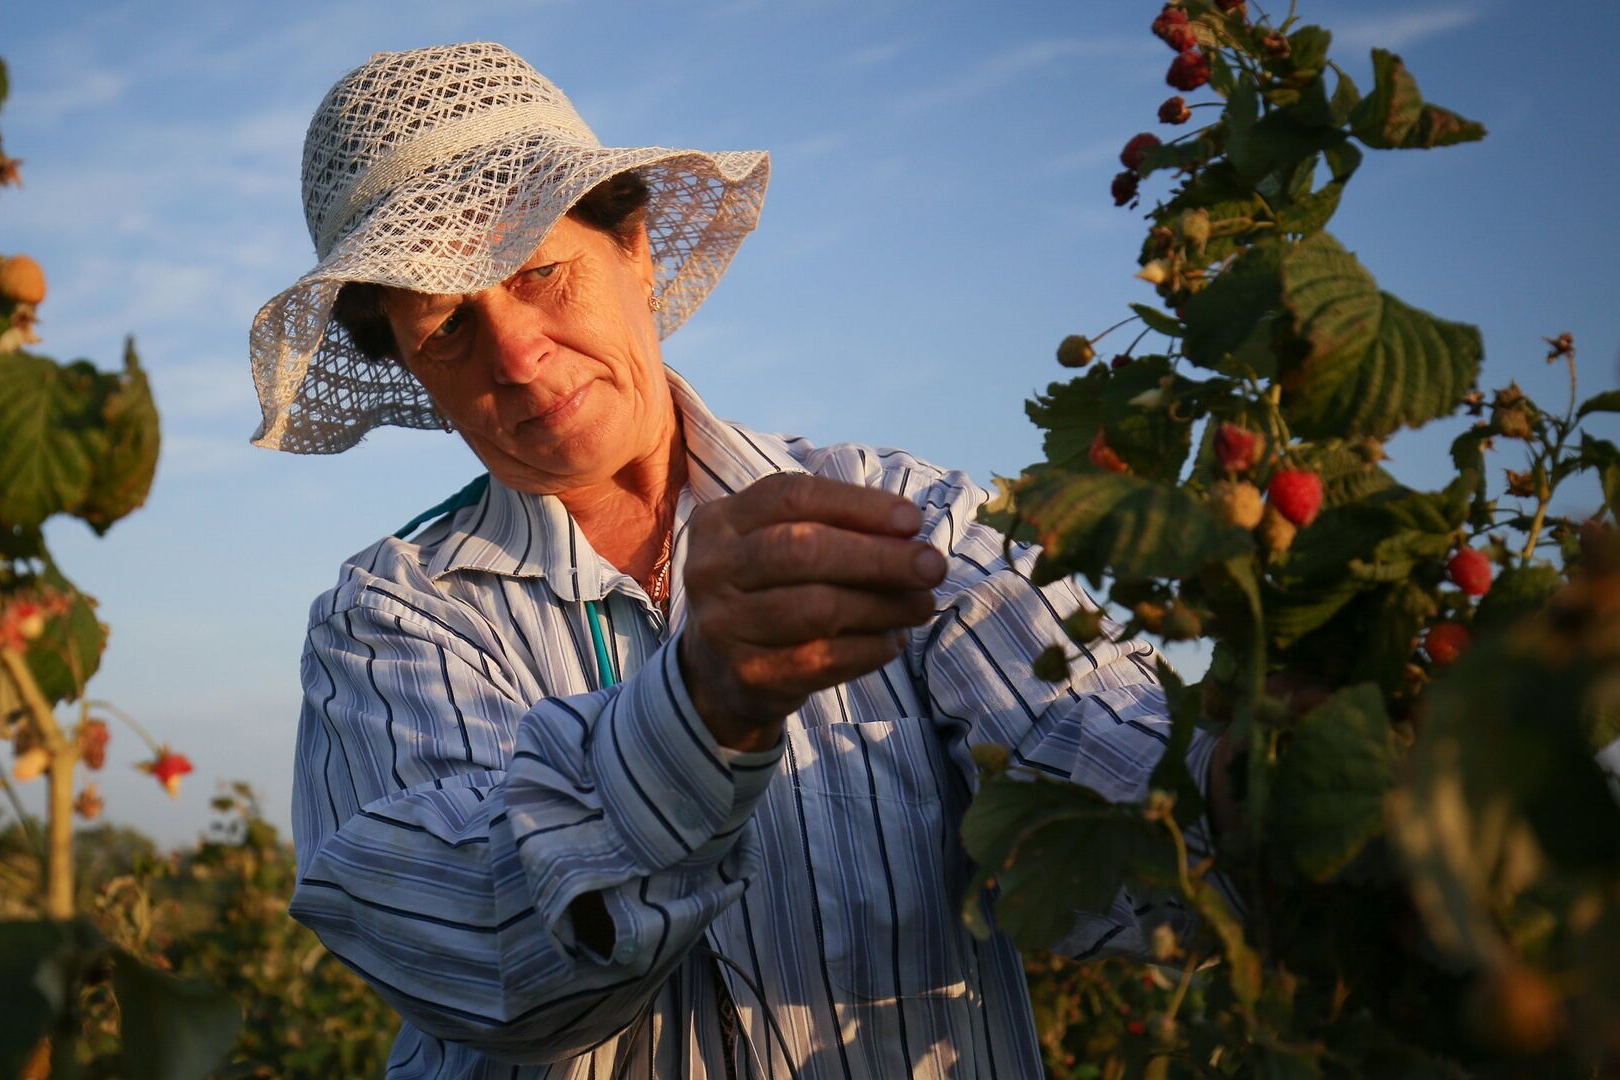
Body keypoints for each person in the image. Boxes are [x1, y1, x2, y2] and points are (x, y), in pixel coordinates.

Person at [250, 42, 1213, 1079]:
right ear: (410, 364)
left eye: (539, 272)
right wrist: (702, 706)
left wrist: (1263, 782)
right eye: (446, 325)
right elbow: (479, 952)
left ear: (636, 249)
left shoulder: (902, 513)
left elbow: (1109, 790)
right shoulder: (394, 620)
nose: (518, 353)